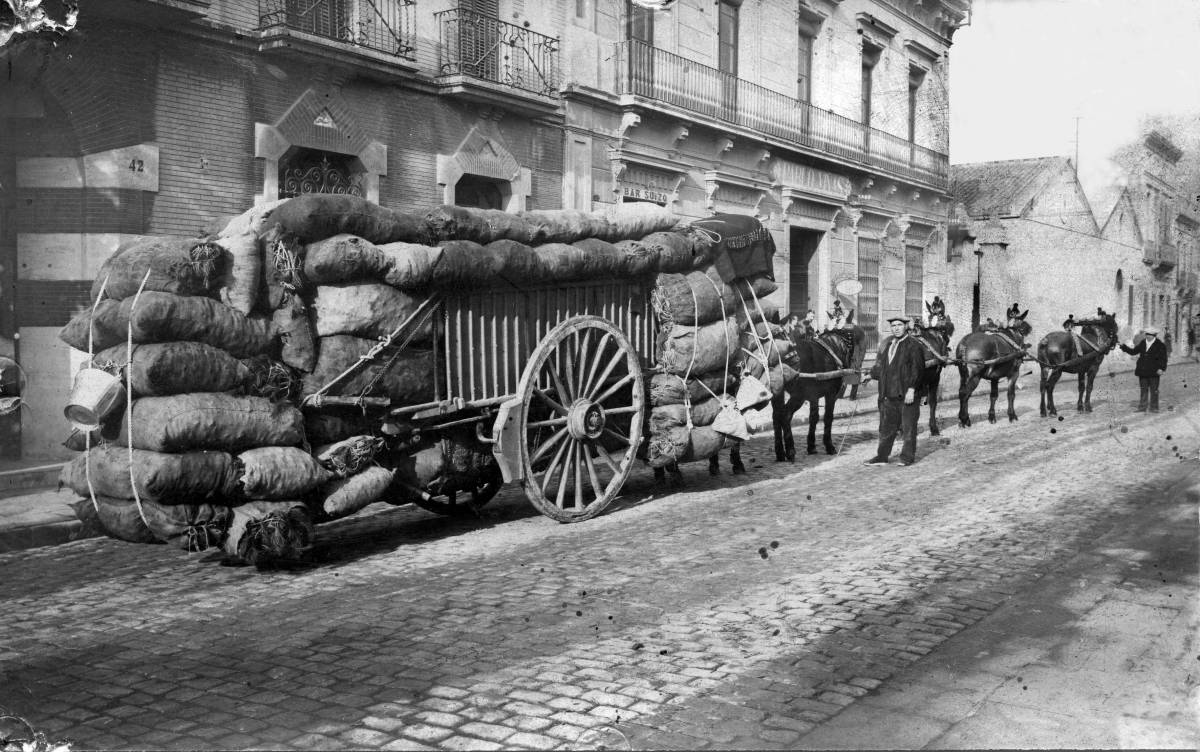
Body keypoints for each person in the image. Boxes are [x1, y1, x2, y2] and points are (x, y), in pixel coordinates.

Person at [863, 317, 927, 467]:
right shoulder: (889, 344)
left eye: (899, 325)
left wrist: (912, 389)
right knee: (887, 428)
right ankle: (881, 457)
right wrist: (870, 375)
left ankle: (906, 458)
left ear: (905, 326)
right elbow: (882, 367)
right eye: (893, 326)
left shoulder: (914, 345)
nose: (896, 328)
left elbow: (918, 370)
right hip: (889, 394)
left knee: (908, 427)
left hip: (907, 394)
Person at [1119, 326, 1168, 412]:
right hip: (1143, 371)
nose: (1148, 336)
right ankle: (1142, 407)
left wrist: (1161, 368)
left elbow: (1163, 359)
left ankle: (1154, 407)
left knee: (1154, 390)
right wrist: (1123, 347)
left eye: (1150, 335)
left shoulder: (1160, 345)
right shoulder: (1143, 343)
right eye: (1147, 334)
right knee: (1143, 390)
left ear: (1154, 335)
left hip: (1154, 371)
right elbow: (1133, 351)